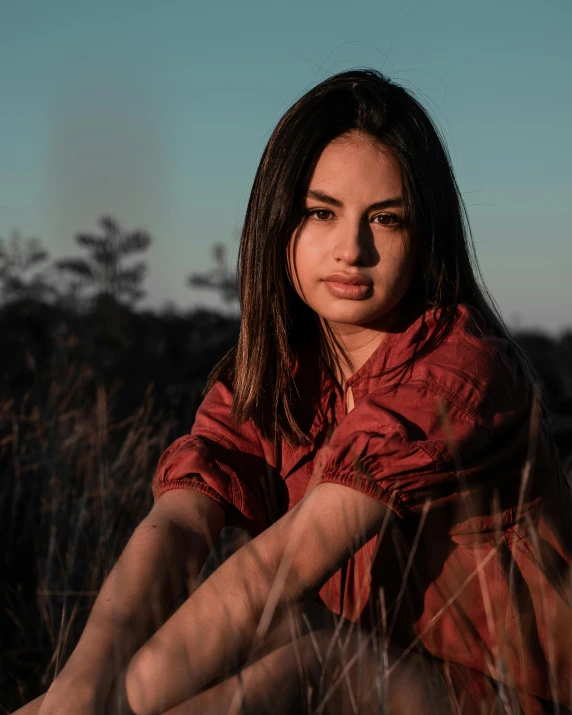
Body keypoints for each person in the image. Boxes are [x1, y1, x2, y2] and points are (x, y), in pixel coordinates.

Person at [15, 68, 572, 715]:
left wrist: (113, 702)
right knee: (253, 638)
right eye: (321, 212)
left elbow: (274, 569)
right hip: (385, 674)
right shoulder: (277, 375)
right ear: (280, 220)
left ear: (424, 238)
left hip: (519, 699)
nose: (351, 249)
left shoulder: (457, 365)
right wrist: (78, 687)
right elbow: (176, 522)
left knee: (308, 665)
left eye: (385, 220)